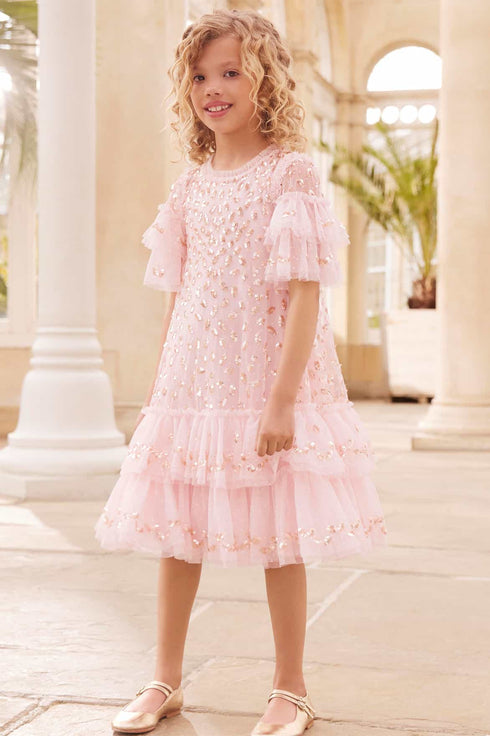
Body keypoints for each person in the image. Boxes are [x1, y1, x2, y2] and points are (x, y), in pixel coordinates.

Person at [94, 8, 388, 736]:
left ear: (266, 81)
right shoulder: (191, 187)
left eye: (230, 73)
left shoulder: (289, 173)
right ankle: (164, 678)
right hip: (194, 385)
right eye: (199, 77)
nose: (213, 89)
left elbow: (306, 294)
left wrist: (282, 400)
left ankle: (291, 687)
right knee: (177, 534)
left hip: (263, 383)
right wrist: (162, 390)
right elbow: (181, 296)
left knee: (282, 535)